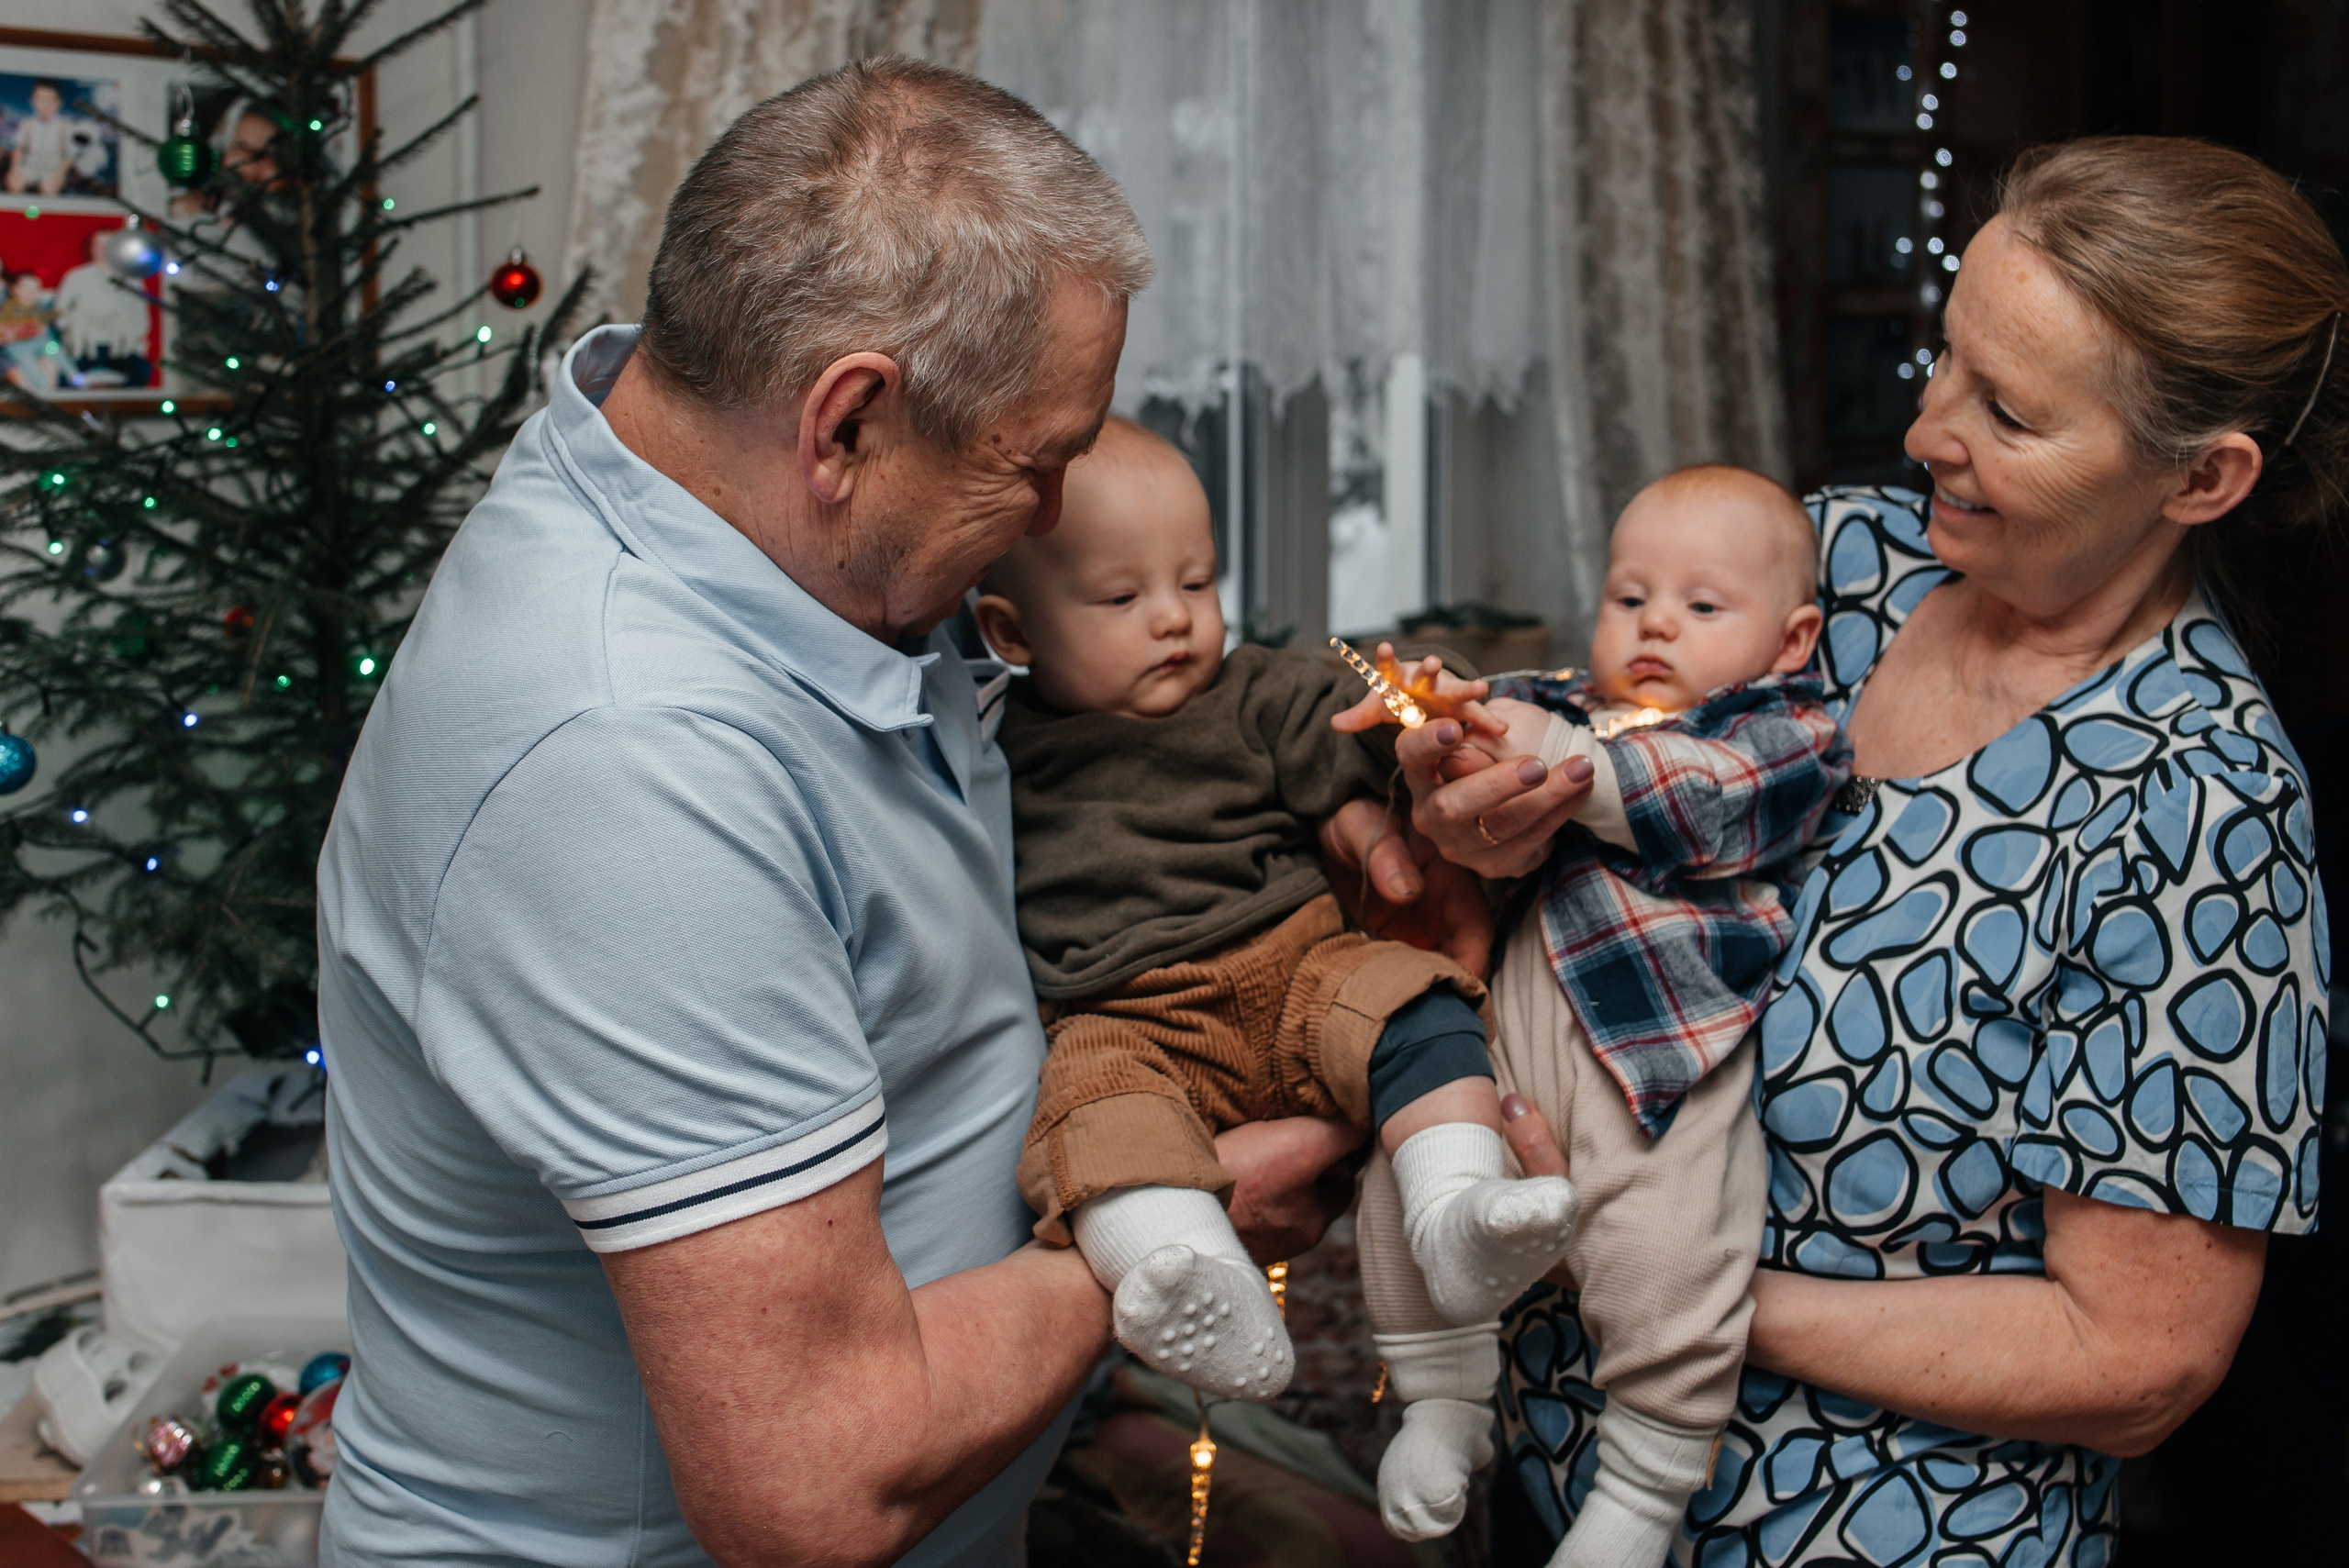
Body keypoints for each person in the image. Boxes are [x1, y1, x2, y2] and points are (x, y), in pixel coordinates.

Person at [315, 61, 1435, 1568]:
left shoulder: (745, 504)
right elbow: (812, 1478)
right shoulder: (631, 764)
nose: (1052, 518)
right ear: (845, 422)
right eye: (1035, 464)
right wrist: (1188, 1210)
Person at [1401, 136, 2335, 1564]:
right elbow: (1602, 800)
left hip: (1873, 1529)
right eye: (1944, 359)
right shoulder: (1837, 565)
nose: (1924, 433)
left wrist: (1663, 1272)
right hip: (1543, 1474)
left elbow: (2139, 1357)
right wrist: (1475, 794)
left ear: (2200, 478)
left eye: (2008, 414)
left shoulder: (2200, 800)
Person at [971, 417, 1578, 1406]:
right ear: (1012, 632)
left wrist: (1411, 708)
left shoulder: (1254, 692)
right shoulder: (996, 745)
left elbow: (1357, 726)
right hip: (1127, 1019)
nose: (1173, 618)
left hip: (1299, 966)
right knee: (1090, 1119)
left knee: (1418, 1005)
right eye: (1123, 596)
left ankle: (1456, 1205)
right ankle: (1186, 1273)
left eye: (1197, 582)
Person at [1330, 465, 1846, 1566]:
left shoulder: (1786, 729)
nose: (1655, 621)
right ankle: (1440, 1395)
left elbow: (1694, 794)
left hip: (1659, 1052)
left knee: (1668, 1247)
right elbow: (1490, 719)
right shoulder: (1565, 699)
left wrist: (1551, 757)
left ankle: (1644, 1485)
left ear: (1791, 637)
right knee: (1412, 1170)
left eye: (1702, 607)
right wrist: (1446, 722)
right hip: (1506, 1026)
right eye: (1629, 596)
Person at [53, 229, 152, 389]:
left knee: (142, 370)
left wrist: (130, 335)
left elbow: (141, 318)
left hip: (119, 349)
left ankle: (121, 411)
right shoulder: (76, 277)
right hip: (83, 348)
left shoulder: (132, 280)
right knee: (64, 375)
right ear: (91, 248)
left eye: (107, 245)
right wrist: (74, 327)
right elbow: (59, 314)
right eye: (97, 245)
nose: (102, 250)